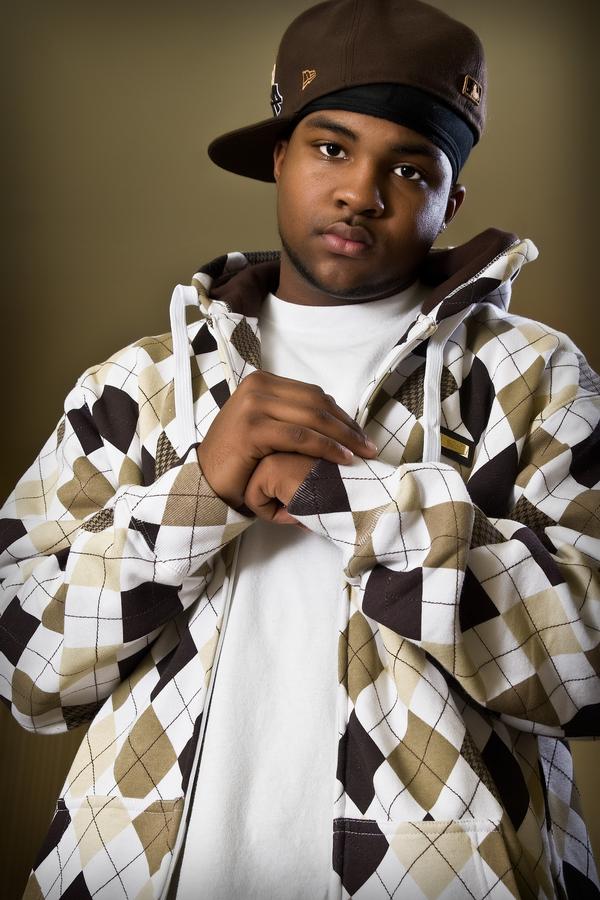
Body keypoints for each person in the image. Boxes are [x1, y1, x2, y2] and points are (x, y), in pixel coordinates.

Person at [1, 0, 599, 897]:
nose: (362, 191)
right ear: (280, 158)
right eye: (331, 148)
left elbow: (588, 667)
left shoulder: (533, 377)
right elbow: (23, 670)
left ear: (452, 201)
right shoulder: (134, 387)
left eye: (410, 167)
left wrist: (350, 497)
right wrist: (199, 494)